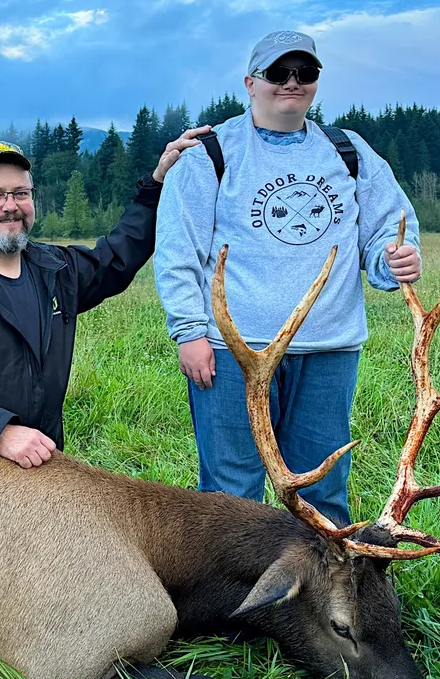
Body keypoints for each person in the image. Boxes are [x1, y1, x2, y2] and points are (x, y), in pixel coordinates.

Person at [153, 30, 422, 526]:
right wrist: (189, 333)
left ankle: (325, 599)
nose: (292, 83)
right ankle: (234, 603)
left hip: (329, 351)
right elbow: (176, 250)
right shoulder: (210, 155)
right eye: (279, 73)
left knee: (323, 491)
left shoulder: (349, 151)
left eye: (305, 73)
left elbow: (387, 228)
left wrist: (396, 261)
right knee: (231, 495)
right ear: (251, 82)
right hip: (233, 352)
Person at [0, 133, 205, 468]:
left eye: (21, 193)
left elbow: (115, 259)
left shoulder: (54, 270)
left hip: (35, 471)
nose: (10, 206)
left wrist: (155, 185)